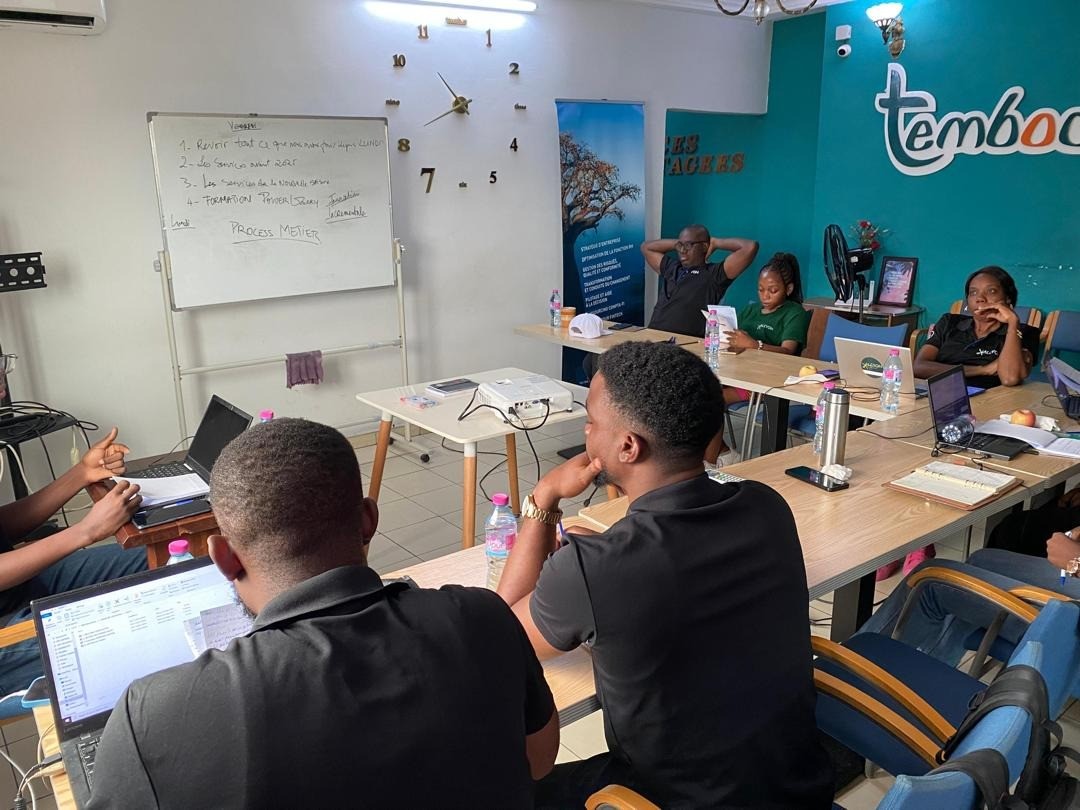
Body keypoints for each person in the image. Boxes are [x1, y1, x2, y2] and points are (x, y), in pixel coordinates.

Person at [88, 418, 558, 809]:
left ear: (223, 558)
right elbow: (538, 762)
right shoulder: (482, 616)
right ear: (369, 520)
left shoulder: (154, 715)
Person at [497, 341, 833, 809]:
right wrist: (598, 556)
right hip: (798, 787)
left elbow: (501, 633)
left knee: (503, 790)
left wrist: (544, 498)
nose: (586, 431)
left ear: (628, 446)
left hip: (671, 800)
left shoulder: (595, 570)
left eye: (591, 421)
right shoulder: (766, 504)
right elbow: (678, 565)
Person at [0, 428, 145, 696]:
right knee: (144, 619)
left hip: (21, 588)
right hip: (5, 630)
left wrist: (82, 473)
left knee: (157, 558)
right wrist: (86, 531)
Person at [857, 538, 1080, 668]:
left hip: (1072, 631)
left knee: (932, 582)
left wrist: (1075, 561)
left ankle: (847, 675)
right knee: (983, 561)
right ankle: (927, 675)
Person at [914, 265, 1040, 389]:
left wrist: (1013, 322)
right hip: (939, 393)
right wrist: (983, 370)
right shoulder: (949, 322)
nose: (980, 298)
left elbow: (1010, 378)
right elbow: (918, 367)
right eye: (973, 292)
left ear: (1008, 298)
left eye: (991, 291)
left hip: (989, 399)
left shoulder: (1023, 332)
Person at [641, 225, 759, 338]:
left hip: (686, 342)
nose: (682, 250)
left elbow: (750, 247)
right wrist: (679, 243)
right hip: (654, 336)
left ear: (704, 246)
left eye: (688, 245)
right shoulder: (671, 267)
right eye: (680, 246)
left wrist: (716, 243)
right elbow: (646, 247)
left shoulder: (714, 274)